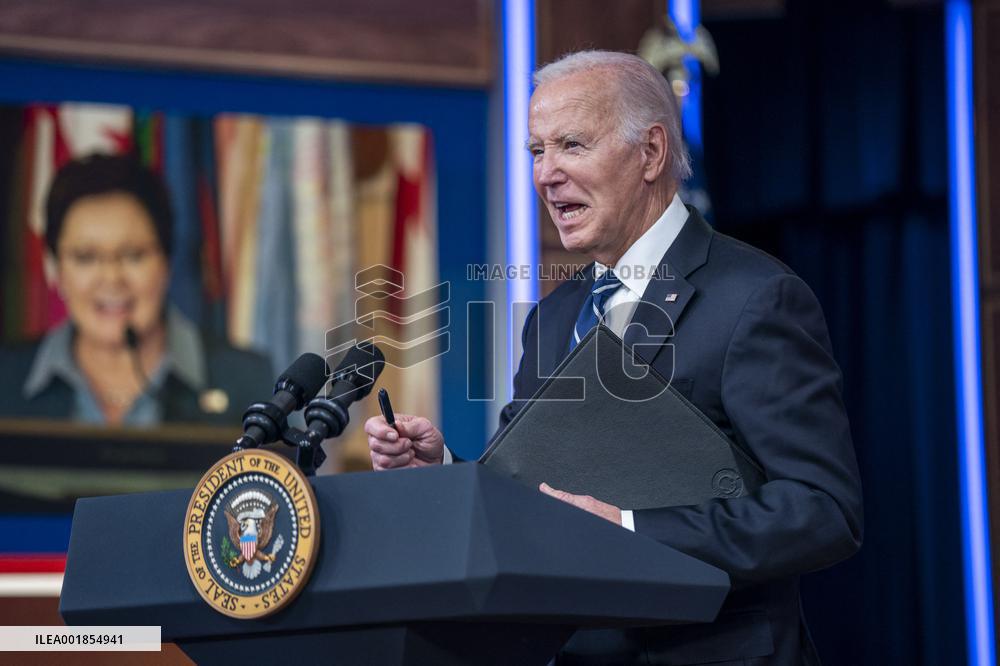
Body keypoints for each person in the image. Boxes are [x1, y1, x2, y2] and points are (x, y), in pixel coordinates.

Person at [364, 51, 863, 665]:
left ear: (651, 153)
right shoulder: (551, 317)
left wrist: (629, 531)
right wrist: (440, 466)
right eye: (536, 151)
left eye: (571, 144)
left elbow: (823, 510)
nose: (546, 174)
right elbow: (528, 492)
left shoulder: (756, 297)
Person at [0, 153, 273, 427]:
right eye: (86, 257)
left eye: (133, 255)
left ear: (167, 262)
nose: (112, 277)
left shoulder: (247, 381)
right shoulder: (6, 380)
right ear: (57, 268)